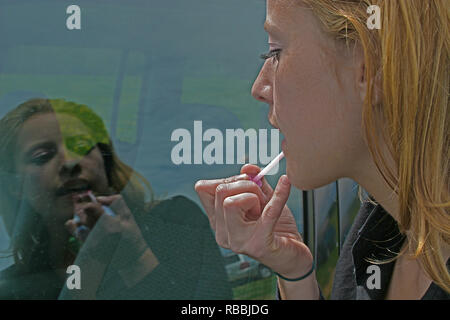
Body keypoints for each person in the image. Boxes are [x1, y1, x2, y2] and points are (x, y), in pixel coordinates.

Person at [195, 0, 449, 299]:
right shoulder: (377, 237)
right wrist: (294, 273)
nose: (259, 88)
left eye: (275, 52)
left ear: (372, 67)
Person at [0, 98, 232, 299]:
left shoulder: (177, 224)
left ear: (105, 160)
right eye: (42, 156)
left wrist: (135, 256)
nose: (70, 162)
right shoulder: (13, 288)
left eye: (81, 145)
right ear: (14, 186)